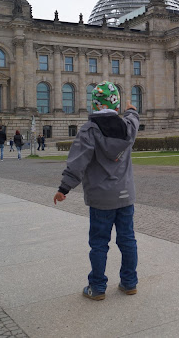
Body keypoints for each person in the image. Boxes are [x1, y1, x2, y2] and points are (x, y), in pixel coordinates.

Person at [53, 81, 139, 301]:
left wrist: (64, 188)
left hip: (101, 198)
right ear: (116, 106)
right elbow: (133, 119)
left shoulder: (89, 130)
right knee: (127, 240)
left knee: (99, 243)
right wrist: (131, 110)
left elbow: (78, 162)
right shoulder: (127, 128)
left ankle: (98, 287)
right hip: (125, 196)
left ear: (94, 105)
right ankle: (129, 283)